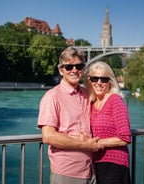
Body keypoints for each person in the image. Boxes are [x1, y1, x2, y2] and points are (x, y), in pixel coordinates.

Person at [37, 47, 103, 184]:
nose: (74, 70)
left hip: (91, 170)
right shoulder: (52, 97)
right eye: (68, 67)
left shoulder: (87, 94)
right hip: (67, 172)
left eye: (78, 66)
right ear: (61, 70)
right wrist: (86, 145)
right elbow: (48, 136)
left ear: (83, 69)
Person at [84, 61, 132, 184]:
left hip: (114, 163)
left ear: (110, 82)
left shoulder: (115, 100)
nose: (99, 83)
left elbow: (125, 137)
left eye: (104, 79)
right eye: (95, 78)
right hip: (95, 163)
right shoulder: (91, 103)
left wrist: (95, 143)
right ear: (89, 81)